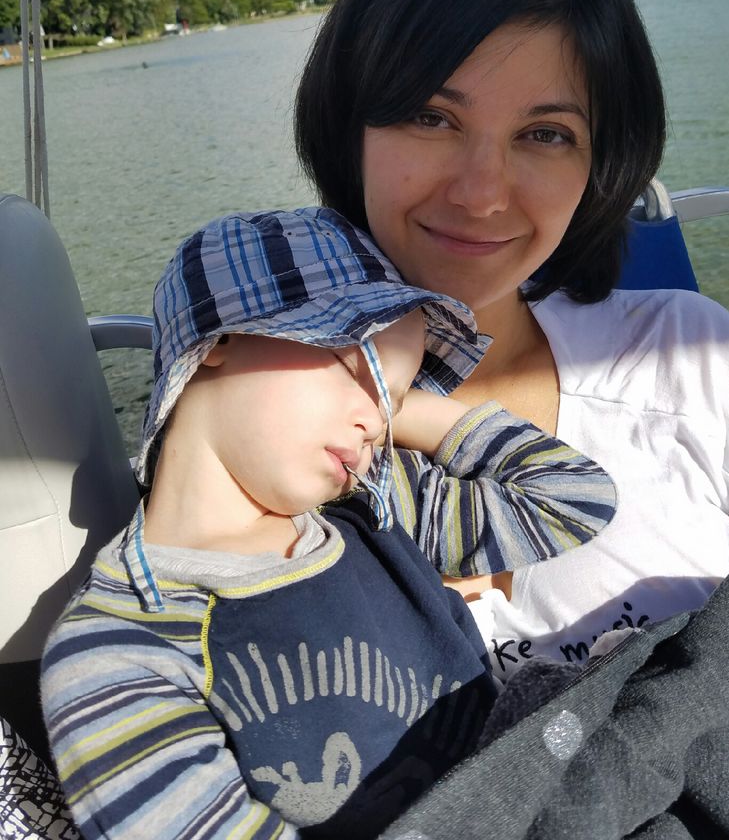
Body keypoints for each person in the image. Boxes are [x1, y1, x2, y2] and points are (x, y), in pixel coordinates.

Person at [294, 0, 729, 677]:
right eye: (431, 117)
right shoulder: (261, 425)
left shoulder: (689, 356)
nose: (482, 193)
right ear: (352, 126)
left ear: (599, 161)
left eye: (546, 134)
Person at [41, 206, 616, 840]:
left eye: (395, 400)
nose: (376, 423)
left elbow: (573, 499)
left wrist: (403, 406)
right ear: (219, 341)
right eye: (356, 367)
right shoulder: (121, 651)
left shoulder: (377, 510)